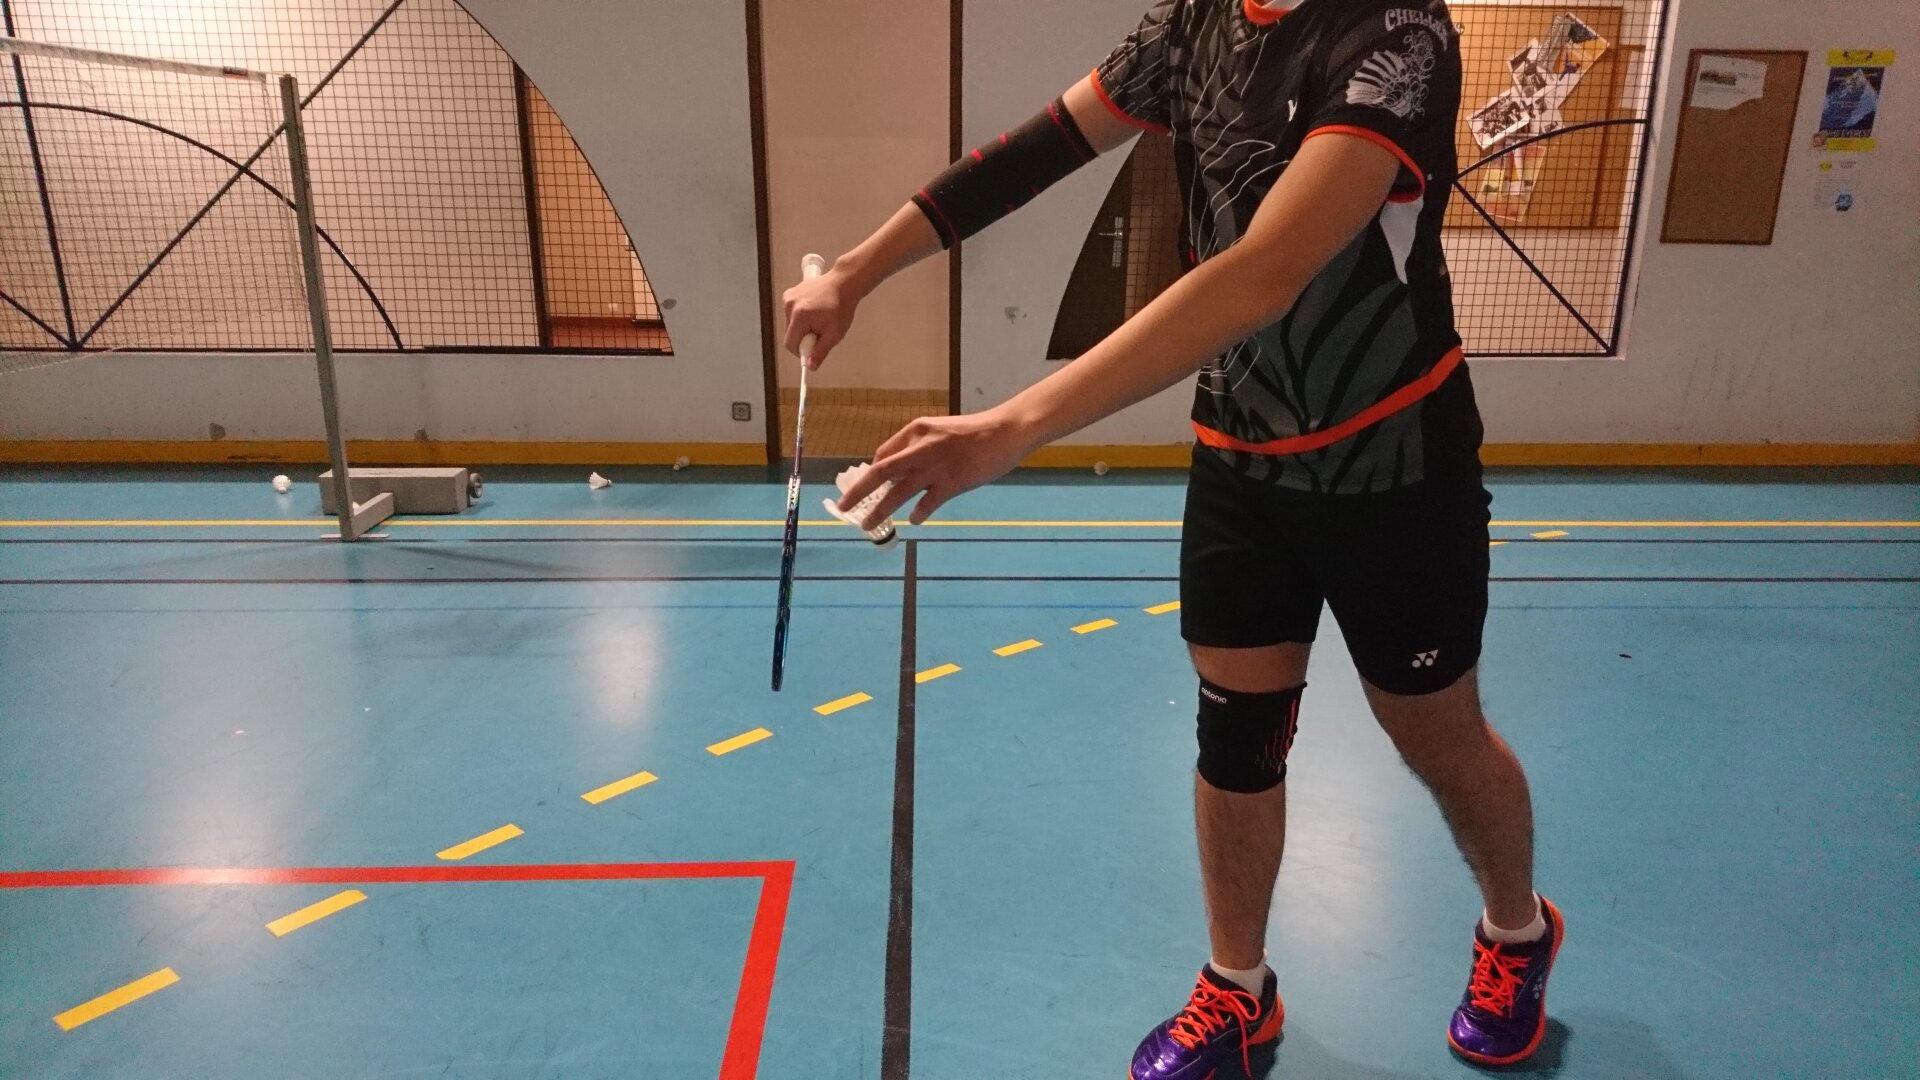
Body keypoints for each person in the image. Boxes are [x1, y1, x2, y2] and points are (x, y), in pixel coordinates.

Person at [780, 1, 1561, 1075]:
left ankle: (1517, 930)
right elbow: (1038, 151)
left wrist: (1013, 425)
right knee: (1236, 736)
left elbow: (1262, 272)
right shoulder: (1199, 19)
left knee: (1437, 736)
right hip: (1241, 458)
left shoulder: (1396, 38)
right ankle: (1240, 989)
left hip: (1391, 467)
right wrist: (855, 272)